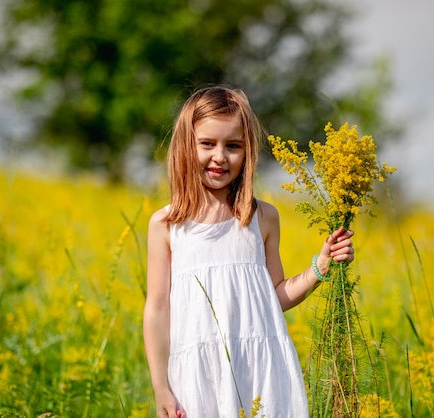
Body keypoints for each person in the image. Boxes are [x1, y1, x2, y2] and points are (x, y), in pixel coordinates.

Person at [143, 86, 355, 418]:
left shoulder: (262, 218)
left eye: (233, 146)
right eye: (207, 144)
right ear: (186, 145)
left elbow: (275, 297)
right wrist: (160, 388)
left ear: (247, 152)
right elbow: (157, 310)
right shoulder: (167, 225)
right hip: (197, 376)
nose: (220, 156)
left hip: (261, 369)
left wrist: (321, 266)